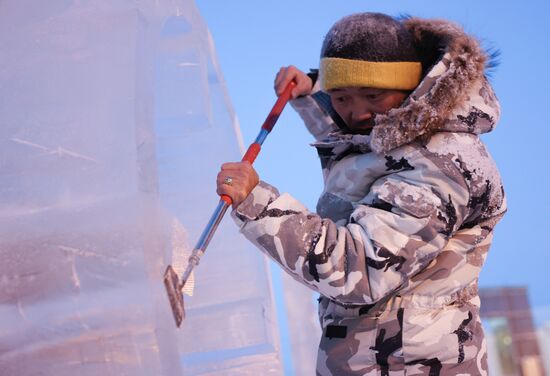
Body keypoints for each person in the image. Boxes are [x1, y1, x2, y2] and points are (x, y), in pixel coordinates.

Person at [216, 12, 506, 376]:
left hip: (414, 365)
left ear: (410, 85)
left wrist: (257, 203)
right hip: (377, 359)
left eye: (373, 94)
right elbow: (364, 151)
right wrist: (312, 93)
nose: (356, 112)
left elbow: (360, 268)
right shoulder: (401, 133)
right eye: (341, 97)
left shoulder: (439, 166)